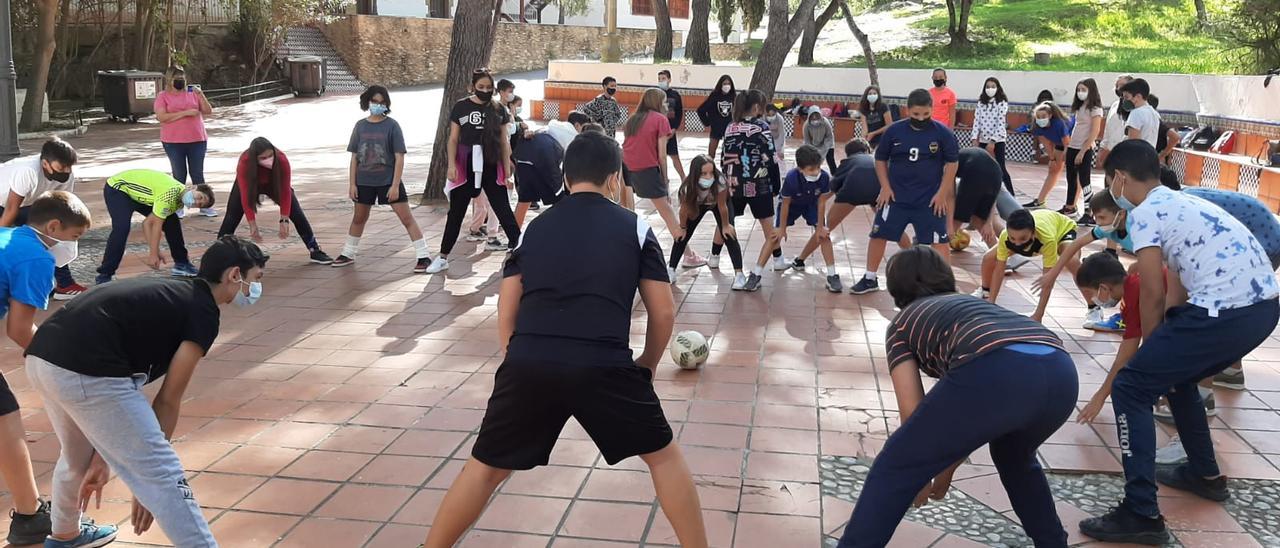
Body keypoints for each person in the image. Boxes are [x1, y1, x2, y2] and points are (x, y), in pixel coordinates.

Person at [421, 131, 708, 548]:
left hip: (530, 360)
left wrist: (513, 356)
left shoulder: (532, 229)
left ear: (565, 177)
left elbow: (508, 304)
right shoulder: (637, 229)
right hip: (604, 363)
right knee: (663, 457)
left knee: (485, 468)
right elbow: (663, 311)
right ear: (614, 179)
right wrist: (647, 361)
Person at [1078, 141, 1280, 544]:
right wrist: (1162, 352)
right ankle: (1205, 475)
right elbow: (1176, 287)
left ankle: (1141, 513)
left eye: (1109, 179)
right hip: (1262, 307)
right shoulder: (1180, 200)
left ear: (1120, 177)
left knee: (1131, 386)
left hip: (1226, 311)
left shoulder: (1147, 212)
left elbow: (1151, 291)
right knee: (1178, 376)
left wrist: (1149, 357)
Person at [27, 235, 270, 548]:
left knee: (78, 456)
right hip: (87, 369)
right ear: (234, 275)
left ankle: (64, 534)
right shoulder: (203, 312)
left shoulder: (175, 290)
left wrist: (124, 467)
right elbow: (169, 399)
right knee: (164, 473)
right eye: (256, 279)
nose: (254, 289)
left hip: (43, 358)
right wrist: (151, 482)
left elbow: (114, 418)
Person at [837, 246, 1075, 548]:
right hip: (1060, 372)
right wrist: (945, 468)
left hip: (997, 368)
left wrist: (920, 471)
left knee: (895, 465)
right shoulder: (974, 304)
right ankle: (1053, 543)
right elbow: (970, 418)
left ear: (896, 289)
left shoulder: (903, 323)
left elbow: (914, 414)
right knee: (1014, 456)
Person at [0, 192, 92, 546]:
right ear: (53, 226)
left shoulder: (8, 235)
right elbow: (20, 330)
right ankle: (29, 516)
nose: (72, 246)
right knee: (5, 416)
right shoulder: (36, 258)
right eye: (74, 237)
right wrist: (63, 363)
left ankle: (29, 512)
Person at [849, 88, 958, 295]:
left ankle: (946, 287)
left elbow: (952, 164)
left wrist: (942, 193)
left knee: (939, 241)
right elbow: (880, 159)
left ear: (931, 110)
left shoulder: (943, 133)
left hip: (929, 199)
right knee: (878, 234)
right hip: (896, 197)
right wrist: (885, 187)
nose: (921, 118)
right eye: (916, 114)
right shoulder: (894, 131)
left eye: (926, 114)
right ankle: (870, 278)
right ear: (908, 111)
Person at [431, 71, 525, 274]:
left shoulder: (498, 109)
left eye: (488, 87)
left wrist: (507, 169)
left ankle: (521, 251)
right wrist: (451, 165)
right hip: (465, 163)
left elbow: (503, 140)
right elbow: (453, 138)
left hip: (491, 161)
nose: (484, 91)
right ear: (472, 86)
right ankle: (443, 256)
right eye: (480, 87)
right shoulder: (461, 106)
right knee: (456, 212)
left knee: (502, 208)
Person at [334, 85, 432, 271]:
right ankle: (348, 253)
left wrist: (395, 185)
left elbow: (399, 156)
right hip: (364, 181)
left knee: (406, 218)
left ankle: (424, 256)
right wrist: (352, 183)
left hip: (387, 180)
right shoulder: (360, 126)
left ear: (387, 104)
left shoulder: (392, 126)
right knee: (359, 218)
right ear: (367, 102)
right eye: (374, 102)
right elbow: (354, 156)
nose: (378, 105)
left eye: (381, 102)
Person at [793, 139, 912, 274]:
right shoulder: (876, 160)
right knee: (894, 226)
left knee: (825, 229)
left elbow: (828, 192)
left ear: (848, 154)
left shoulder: (847, 163)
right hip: (879, 190)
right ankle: (915, 256)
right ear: (867, 150)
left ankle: (800, 260)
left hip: (852, 190)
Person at [1073, 251, 1162, 424]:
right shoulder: (1135, 284)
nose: (1092, 298)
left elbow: (1125, 355)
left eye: (1091, 293)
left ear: (1104, 288)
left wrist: (1099, 397)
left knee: (1126, 383)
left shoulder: (1136, 293)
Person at [217, 137, 333, 264]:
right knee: (232, 216)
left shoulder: (281, 159)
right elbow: (245, 195)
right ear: (254, 158)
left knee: (297, 213)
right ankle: (218, 255)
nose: (268, 160)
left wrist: (284, 219)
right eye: (263, 158)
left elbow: (285, 191)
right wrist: (252, 224)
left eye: (270, 155)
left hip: (274, 184)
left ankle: (315, 250)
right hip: (251, 184)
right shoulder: (245, 162)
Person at [0, 138, 86, 299]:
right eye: (61, 167)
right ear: (45, 164)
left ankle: (64, 285)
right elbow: (11, 209)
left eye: (69, 167)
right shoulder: (28, 171)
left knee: (54, 232)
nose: (66, 171)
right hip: (6, 202)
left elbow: (62, 206)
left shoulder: (67, 174)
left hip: (28, 204)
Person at [1035, 191, 1132, 331]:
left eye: (1102, 217)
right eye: (1096, 218)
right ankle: (1127, 316)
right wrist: (1052, 274)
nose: (1098, 222)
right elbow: (1075, 245)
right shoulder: (1106, 228)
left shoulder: (1136, 228)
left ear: (1121, 214)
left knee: (1138, 277)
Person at [96, 169, 212, 284]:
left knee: (172, 221)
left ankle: (182, 264)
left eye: (200, 204)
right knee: (121, 229)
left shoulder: (178, 202)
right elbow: (156, 225)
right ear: (193, 188)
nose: (196, 202)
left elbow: (147, 223)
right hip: (118, 189)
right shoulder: (171, 193)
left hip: (138, 195)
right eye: (200, 197)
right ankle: (104, 275)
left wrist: (155, 249)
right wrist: (153, 254)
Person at [721, 90, 782, 291]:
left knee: (727, 220)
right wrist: (776, 185)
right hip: (758, 184)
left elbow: (724, 156)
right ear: (756, 108)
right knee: (767, 223)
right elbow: (771, 159)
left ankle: (714, 256)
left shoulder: (730, 126)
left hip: (733, 183)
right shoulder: (761, 127)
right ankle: (778, 259)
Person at [975, 209, 1082, 315]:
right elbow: (999, 271)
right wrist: (991, 303)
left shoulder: (1047, 239)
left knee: (1072, 262)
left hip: (1062, 229)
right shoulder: (1005, 236)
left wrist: (1039, 314)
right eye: (1012, 238)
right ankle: (985, 291)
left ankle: (1094, 306)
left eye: (1023, 238)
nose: (1017, 244)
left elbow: (1048, 279)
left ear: (1033, 233)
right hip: (1043, 222)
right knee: (988, 257)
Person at [668, 155, 745, 289]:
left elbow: (722, 206)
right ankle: (671, 270)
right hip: (698, 204)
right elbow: (684, 211)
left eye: (711, 173)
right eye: (704, 173)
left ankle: (739, 274)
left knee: (729, 234)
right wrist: (682, 227)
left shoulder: (720, 181)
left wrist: (726, 225)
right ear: (695, 174)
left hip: (719, 204)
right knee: (682, 235)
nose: (708, 177)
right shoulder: (687, 187)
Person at [766, 145, 836, 291]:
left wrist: (820, 226)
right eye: (811, 170)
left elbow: (822, 202)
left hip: (811, 204)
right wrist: (782, 228)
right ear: (800, 168)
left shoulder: (824, 177)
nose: (816, 172)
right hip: (792, 205)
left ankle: (832, 275)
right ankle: (757, 272)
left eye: (818, 167)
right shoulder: (791, 178)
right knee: (774, 235)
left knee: (824, 235)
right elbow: (785, 204)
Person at [154, 65, 216, 218]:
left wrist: (201, 95)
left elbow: (208, 111)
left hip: (197, 139)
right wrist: (186, 113)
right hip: (173, 141)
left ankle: (205, 205)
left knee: (197, 173)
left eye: (183, 79)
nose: (181, 82)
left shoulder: (192, 93)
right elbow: (162, 117)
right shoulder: (163, 96)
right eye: (177, 79)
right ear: (169, 80)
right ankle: (178, 204)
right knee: (179, 174)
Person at [622, 88, 682, 236]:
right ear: (658, 102)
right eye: (664, 101)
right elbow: (662, 155)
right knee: (667, 211)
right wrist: (664, 179)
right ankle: (687, 253)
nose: (666, 105)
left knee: (626, 210)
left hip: (626, 166)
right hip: (646, 168)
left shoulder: (633, 119)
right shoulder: (661, 120)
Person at [512, 112, 586, 227]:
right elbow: (566, 167)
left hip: (523, 158)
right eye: (583, 127)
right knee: (559, 200)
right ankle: (552, 229)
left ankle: (513, 237)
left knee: (524, 200)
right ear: (577, 125)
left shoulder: (553, 126)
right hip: (543, 160)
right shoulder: (572, 136)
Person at [1066, 78, 1105, 223]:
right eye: (1078, 90)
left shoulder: (1096, 109)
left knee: (1085, 180)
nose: (1080, 93)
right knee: (1071, 178)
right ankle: (1070, 206)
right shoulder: (1080, 106)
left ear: (1091, 91)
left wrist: (1083, 150)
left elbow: (1095, 131)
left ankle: (1089, 212)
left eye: (1083, 90)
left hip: (1084, 148)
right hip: (1073, 146)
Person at [951, 147, 1006, 246]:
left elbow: (950, 195)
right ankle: (999, 257)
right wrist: (988, 223)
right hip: (997, 174)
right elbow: (993, 198)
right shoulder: (963, 156)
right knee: (978, 220)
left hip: (975, 170)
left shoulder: (947, 163)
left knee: (953, 223)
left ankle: (938, 256)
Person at [1023, 102, 1070, 211]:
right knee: (1053, 170)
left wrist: (1066, 157)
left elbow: (1067, 143)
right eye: (1038, 117)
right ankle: (1040, 200)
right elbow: (1046, 144)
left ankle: (1071, 205)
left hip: (1071, 143)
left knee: (1073, 174)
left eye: (1043, 117)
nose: (1040, 119)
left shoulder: (1059, 124)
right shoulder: (1037, 126)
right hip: (1058, 144)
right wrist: (1052, 159)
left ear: (1050, 116)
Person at [972, 77, 1013, 194]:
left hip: (998, 140)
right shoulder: (981, 103)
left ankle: (1011, 194)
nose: (990, 89)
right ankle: (980, 193)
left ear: (998, 88)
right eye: (988, 87)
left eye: (993, 87)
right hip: (983, 139)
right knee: (979, 166)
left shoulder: (1002, 103)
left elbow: (1001, 123)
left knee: (1001, 167)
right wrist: (974, 137)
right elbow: (977, 120)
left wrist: (993, 141)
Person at [658, 69, 688, 184]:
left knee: (674, 156)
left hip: (670, 130)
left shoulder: (675, 95)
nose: (661, 81)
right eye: (659, 79)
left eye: (663, 79)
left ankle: (683, 177)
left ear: (669, 80)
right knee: (659, 157)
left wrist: (674, 128)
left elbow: (679, 112)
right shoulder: (655, 94)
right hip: (658, 131)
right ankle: (663, 178)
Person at [696, 75, 736, 159]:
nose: (727, 86)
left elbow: (738, 111)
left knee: (729, 152)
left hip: (729, 128)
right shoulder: (714, 95)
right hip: (716, 128)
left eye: (729, 84)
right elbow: (701, 110)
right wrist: (707, 122)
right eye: (724, 83)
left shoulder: (733, 96)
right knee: (711, 154)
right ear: (720, 85)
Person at [1120, 78, 1160, 147]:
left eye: (1127, 97)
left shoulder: (1136, 113)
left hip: (1137, 156)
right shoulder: (1154, 113)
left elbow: (1133, 143)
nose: (1124, 101)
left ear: (1138, 96)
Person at [803, 106, 837, 173]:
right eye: (813, 116)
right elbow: (807, 140)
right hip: (814, 144)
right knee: (813, 161)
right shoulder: (806, 125)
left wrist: (824, 148)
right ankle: (812, 173)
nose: (815, 118)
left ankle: (835, 175)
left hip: (827, 143)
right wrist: (811, 149)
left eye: (817, 115)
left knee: (830, 160)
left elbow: (829, 136)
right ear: (809, 116)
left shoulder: (825, 122)